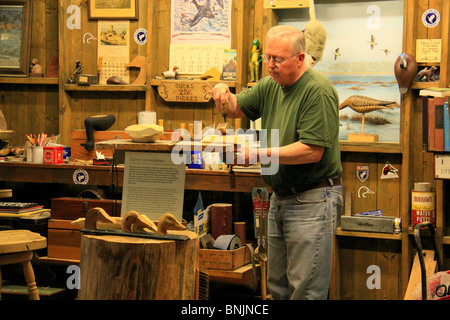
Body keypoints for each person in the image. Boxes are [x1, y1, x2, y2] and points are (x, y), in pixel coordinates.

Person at [211, 25, 343, 300]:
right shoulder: (271, 84)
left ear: (300, 58)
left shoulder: (317, 91)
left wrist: (259, 155)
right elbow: (235, 108)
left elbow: (311, 150)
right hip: (280, 197)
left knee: (306, 292)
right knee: (278, 289)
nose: (270, 65)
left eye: (278, 59)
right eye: (267, 58)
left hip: (313, 199)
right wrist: (223, 92)